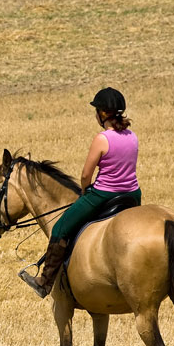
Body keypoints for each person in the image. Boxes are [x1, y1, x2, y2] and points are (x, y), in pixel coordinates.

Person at [19, 87, 142, 298]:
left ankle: (44, 281)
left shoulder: (102, 139)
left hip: (104, 194)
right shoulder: (132, 136)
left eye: (97, 110)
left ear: (103, 114)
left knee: (60, 227)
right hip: (133, 195)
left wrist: (85, 191)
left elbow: (86, 175)